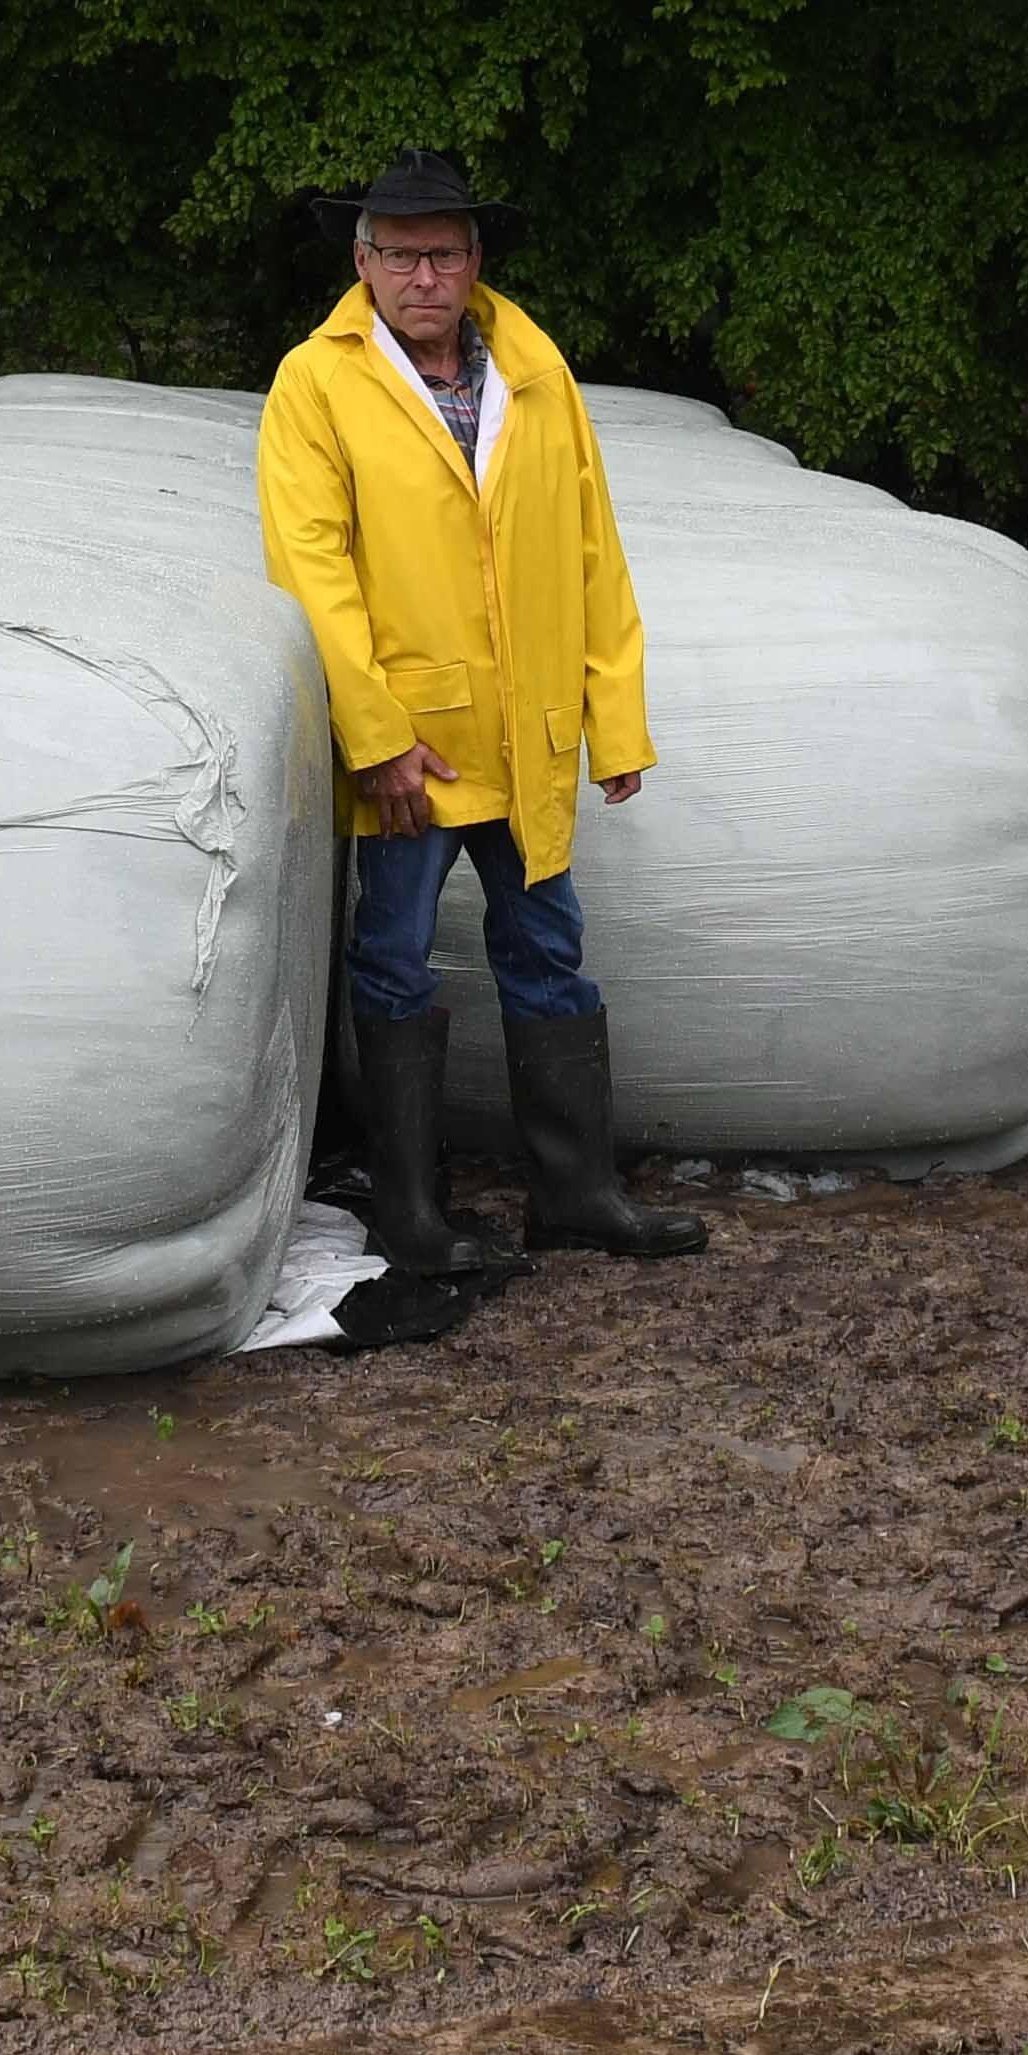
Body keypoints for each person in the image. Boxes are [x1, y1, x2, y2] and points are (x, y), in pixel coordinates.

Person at [256, 149, 706, 1275]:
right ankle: (412, 1214)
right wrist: (374, 735)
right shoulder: (318, 385)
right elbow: (311, 571)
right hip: (417, 744)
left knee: (549, 952)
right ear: (361, 263)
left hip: (531, 732)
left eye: (443, 252)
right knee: (396, 959)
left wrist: (617, 717)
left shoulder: (534, 371)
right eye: (400, 254)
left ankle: (577, 1195)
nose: (423, 275)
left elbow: (591, 547)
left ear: (474, 259)